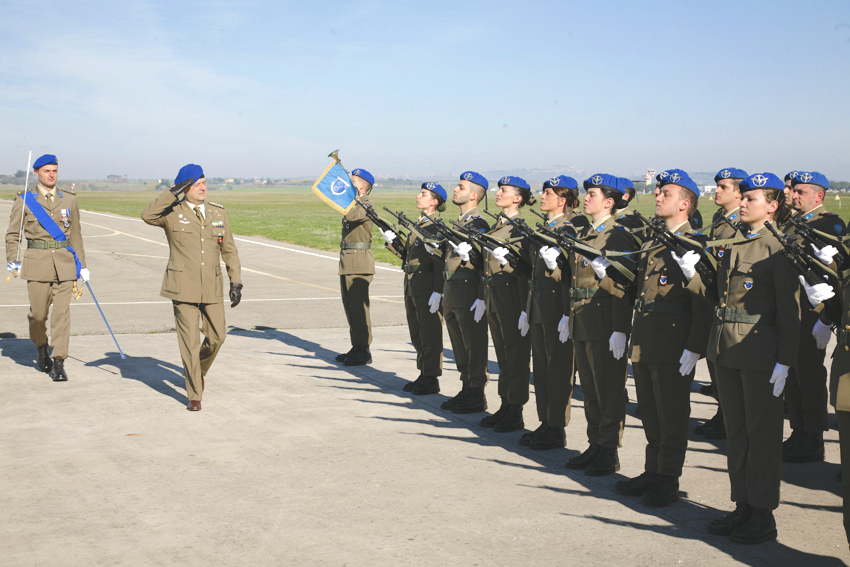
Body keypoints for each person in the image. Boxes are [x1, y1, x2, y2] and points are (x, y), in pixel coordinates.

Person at [674, 172, 800, 544]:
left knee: (761, 436)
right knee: (739, 434)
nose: (742, 203)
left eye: (751, 199)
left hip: (761, 353)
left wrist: (785, 361)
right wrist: (691, 274)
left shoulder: (779, 248)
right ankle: (743, 504)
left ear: (773, 207)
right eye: (742, 197)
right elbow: (717, 298)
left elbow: (790, 313)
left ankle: (763, 514)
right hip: (725, 349)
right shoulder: (736, 242)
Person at [615, 170, 711, 507]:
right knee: (651, 412)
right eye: (658, 192)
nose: (657, 196)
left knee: (672, 414)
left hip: (673, 342)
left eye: (666, 193)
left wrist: (695, 346)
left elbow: (705, 301)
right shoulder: (653, 240)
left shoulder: (695, 244)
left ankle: (668, 478)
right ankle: (652, 470)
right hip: (645, 339)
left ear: (685, 204)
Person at [141, 164, 243, 411]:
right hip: (182, 287)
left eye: (204, 182)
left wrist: (236, 280)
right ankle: (194, 394)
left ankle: (198, 370)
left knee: (218, 336)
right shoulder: (171, 213)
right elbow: (147, 216)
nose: (203, 188)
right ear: (186, 188)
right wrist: (172, 191)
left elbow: (228, 248)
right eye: (197, 184)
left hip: (212, 285)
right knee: (189, 341)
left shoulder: (218, 213)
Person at [564, 174, 637, 476]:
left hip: (605, 322)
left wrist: (620, 328)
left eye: (592, 194)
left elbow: (624, 285)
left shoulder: (616, 236)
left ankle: (609, 449)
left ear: (609, 202)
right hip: (582, 320)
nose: (586, 198)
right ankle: (595, 443)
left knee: (608, 389)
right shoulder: (588, 233)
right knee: (591, 390)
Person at [5, 154, 88, 381]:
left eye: (54, 170)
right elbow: (13, 234)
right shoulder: (24, 199)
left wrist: (82, 264)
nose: (51, 175)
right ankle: (41, 346)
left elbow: (76, 235)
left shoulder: (69, 199)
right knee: (38, 315)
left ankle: (58, 361)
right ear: (37, 173)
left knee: (61, 315)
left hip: (64, 264)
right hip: (37, 264)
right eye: (46, 171)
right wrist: (12, 259)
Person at [783, 171, 846, 463]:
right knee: (793, 374)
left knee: (808, 375)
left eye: (801, 192)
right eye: (794, 190)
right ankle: (798, 430)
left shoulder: (827, 224)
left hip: (813, 312)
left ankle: (813, 437)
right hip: (792, 311)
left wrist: (827, 317)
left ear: (818, 196)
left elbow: (838, 274)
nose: (794, 195)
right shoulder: (794, 223)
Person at [521, 175, 580, 450]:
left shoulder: (568, 231)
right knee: (542, 371)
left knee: (558, 370)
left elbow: (572, 277)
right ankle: (545, 422)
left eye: (549, 192)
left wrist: (568, 313)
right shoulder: (545, 228)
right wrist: (526, 309)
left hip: (557, 309)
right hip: (538, 308)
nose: (542, 196)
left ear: (563, 198)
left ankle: (556, 426)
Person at [694, 167, 747, 440]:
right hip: (713, 301)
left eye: (723, 187)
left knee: (726, 364)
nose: (716, 190)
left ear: (739, 193)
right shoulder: (719, 218)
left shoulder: (742, 223)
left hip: (731, 303)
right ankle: (723, 412)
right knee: (715, 362)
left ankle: (729, 416)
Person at [478, 176, 534, 433]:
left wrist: (525, 309)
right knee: (503, 359)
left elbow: (525, 272)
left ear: (517, 198)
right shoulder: (496, 226)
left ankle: (516, 410)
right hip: (495, 301)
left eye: (504, 190)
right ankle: (505, 404)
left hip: (513, 304)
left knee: (516, 359)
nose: (498, 193)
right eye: (499, 190)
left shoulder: (519, 230)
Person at [384, 183, 446, 395]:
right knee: (417, 333)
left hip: (427, 286)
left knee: (430, 333)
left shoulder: (436, 227)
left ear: (434, 201)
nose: (418, 196)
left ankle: (431, 377)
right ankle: (423, 372)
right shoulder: (419, 224)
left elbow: (440, 262)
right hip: (412, 283)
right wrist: (393, 243)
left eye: (424, 194)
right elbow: (409, 257)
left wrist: (438, 290)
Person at [439, 171, 491, 413]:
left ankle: (477, 393)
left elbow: (484, 264)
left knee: (474, 345)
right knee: (459, 345)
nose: (455, 190)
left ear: (473, 195)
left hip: (469, 293)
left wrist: (481, 296)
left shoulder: (478, 224)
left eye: (460, 187)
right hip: (453, 292)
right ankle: (466, 387)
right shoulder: (460, 223)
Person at [335, 168, 376, 367]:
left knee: (359, 309)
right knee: (350, 307)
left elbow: (351, 216)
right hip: (348, 261)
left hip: (359, 262)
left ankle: (364, 349)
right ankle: (357, 345)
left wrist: (349, 198)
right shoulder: (356, 203)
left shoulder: (366, 204)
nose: (347, 184)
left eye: (352, 181)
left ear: (362, 185)